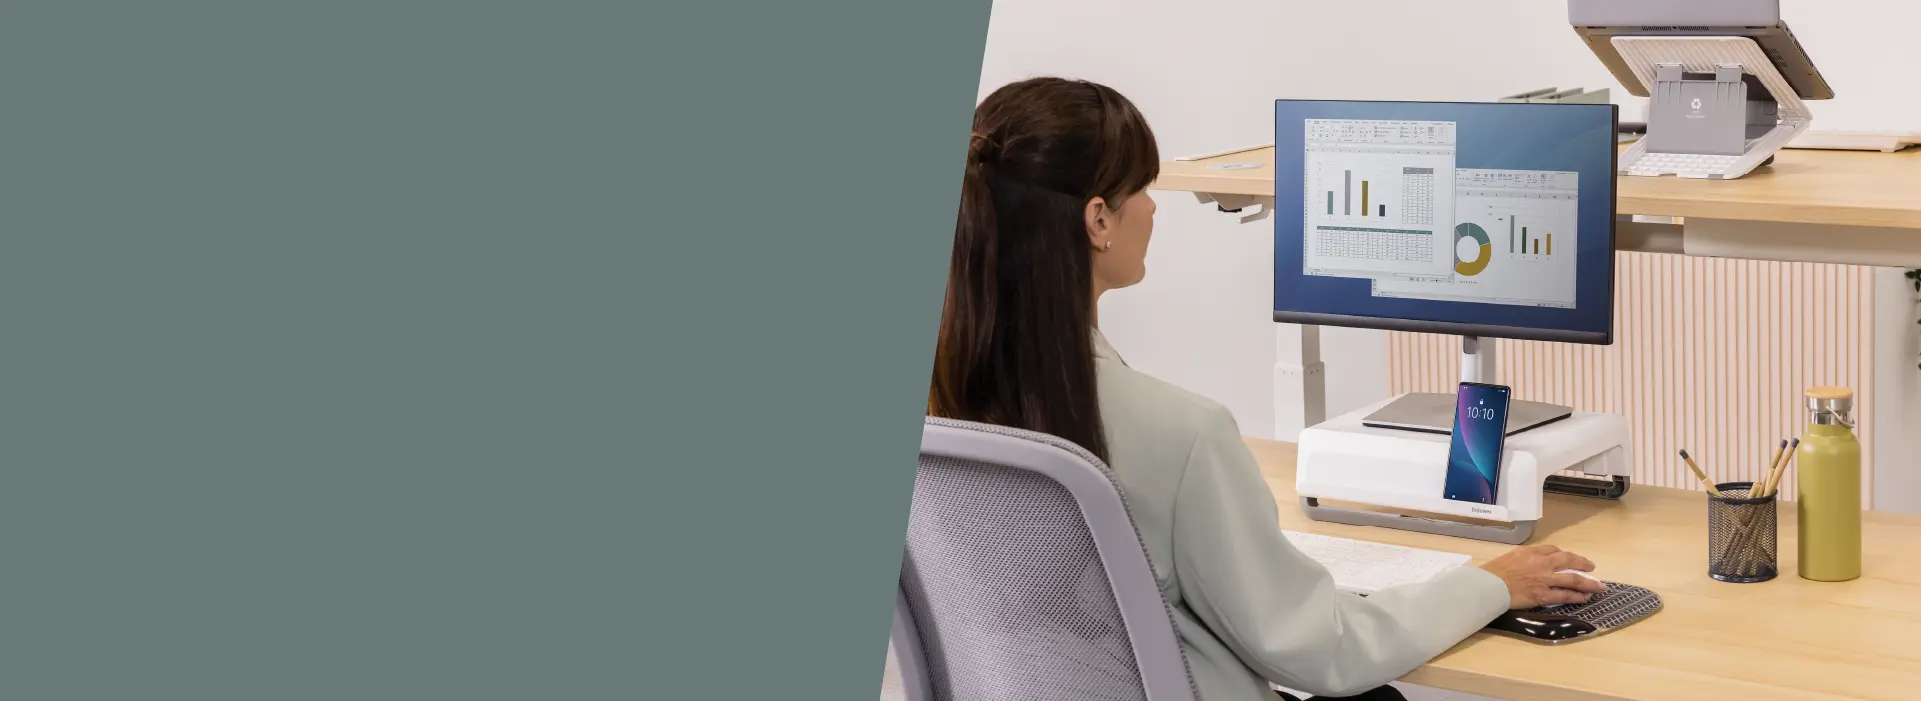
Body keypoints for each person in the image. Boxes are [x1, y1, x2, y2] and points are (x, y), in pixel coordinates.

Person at [926, 76, 1607, 701]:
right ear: (1098, 219)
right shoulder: (1177, 434)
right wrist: (1487, 582)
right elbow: (1323, 649)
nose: (1154, 208)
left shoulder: (940, 409)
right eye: (1143, 188)